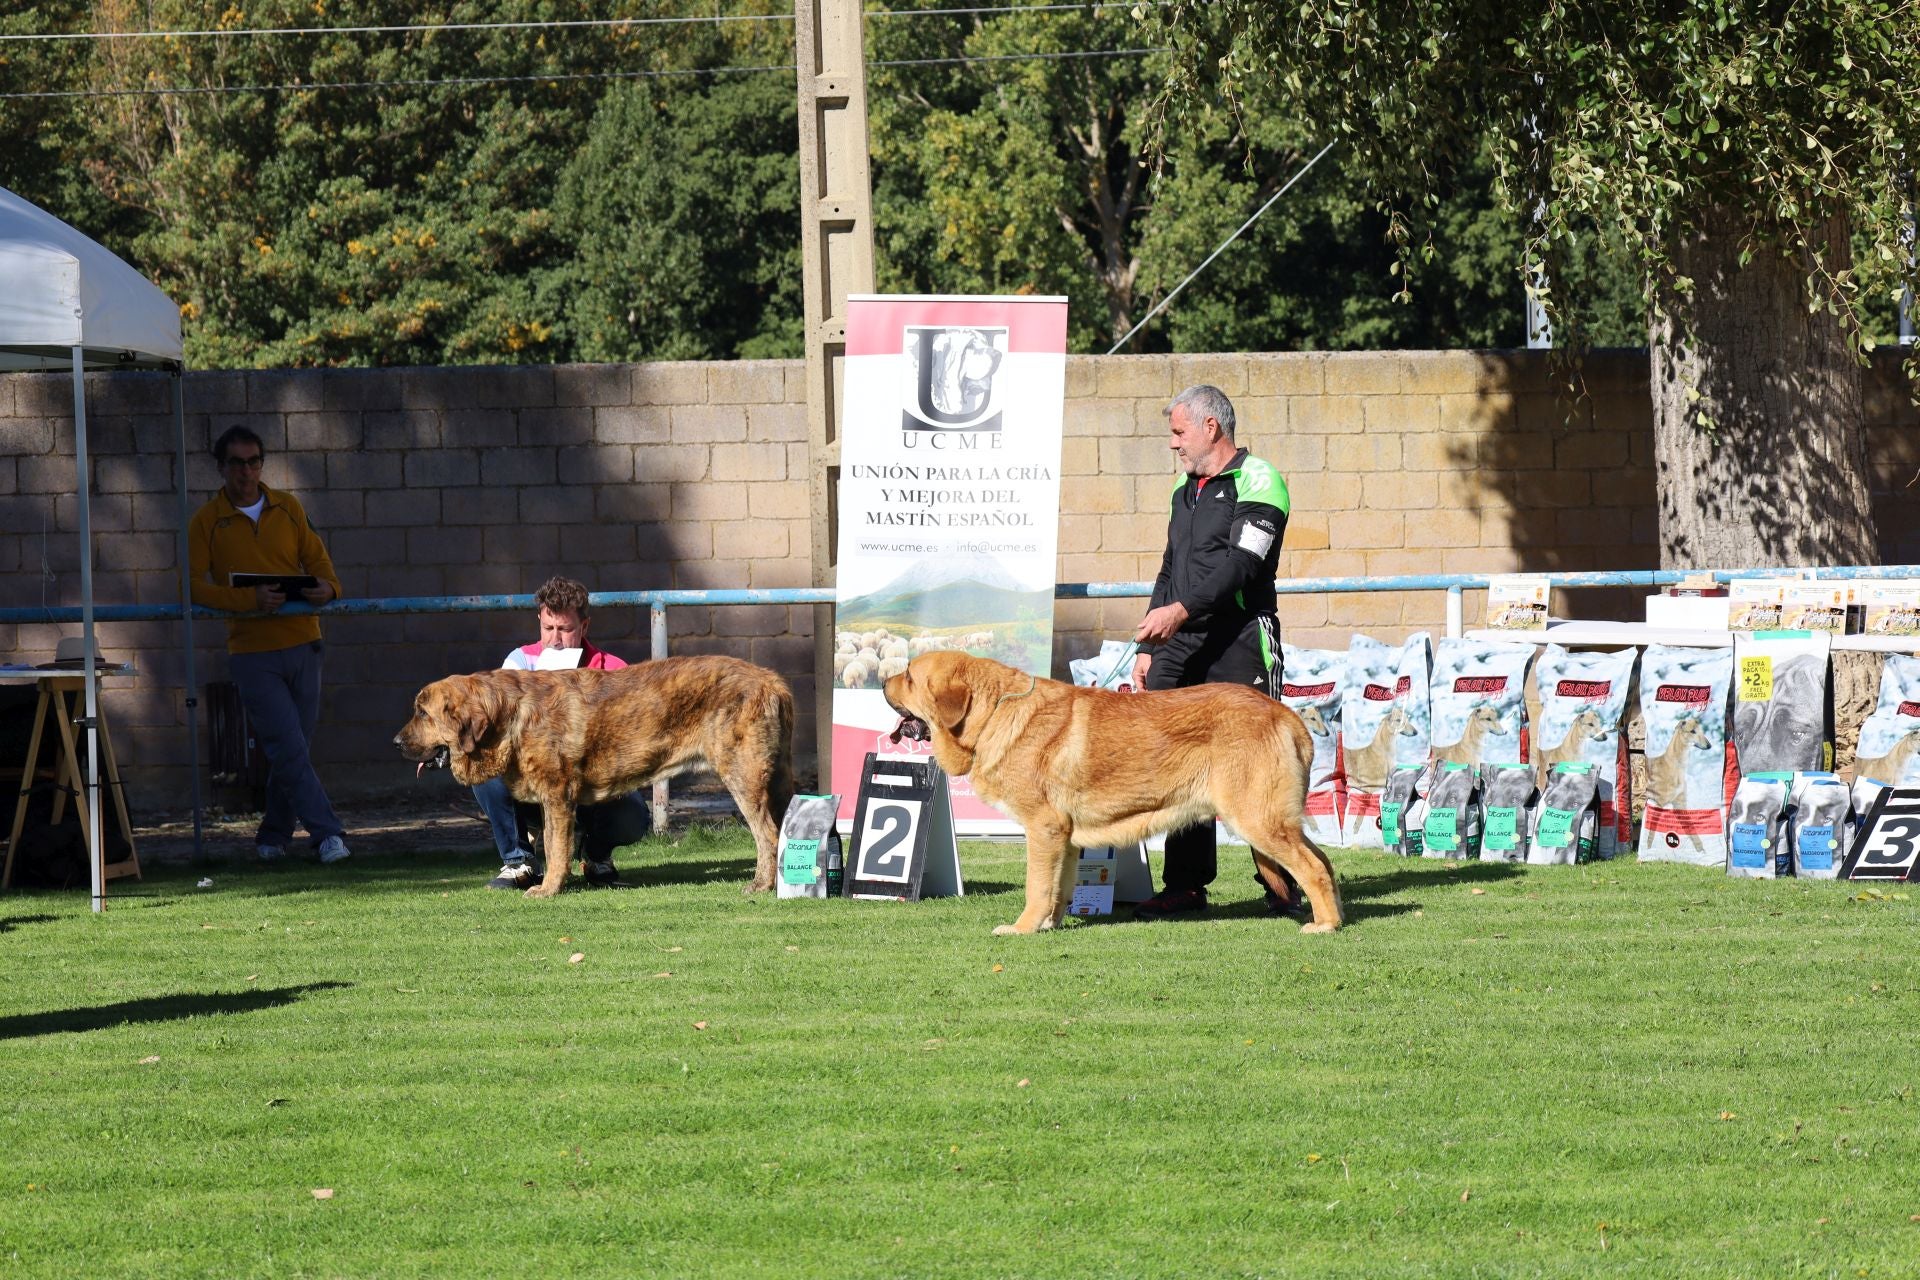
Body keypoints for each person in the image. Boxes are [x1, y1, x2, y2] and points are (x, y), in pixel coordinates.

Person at [1128, 384, 1304, 920]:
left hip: (1239, 639)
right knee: (1175, 763)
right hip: (1178, 645)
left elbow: (1241, 568)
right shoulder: (1183, 487)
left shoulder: (1260, 479)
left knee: (1254, 765)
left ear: (1211, 427)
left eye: (1178, 432)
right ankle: (1184, 885)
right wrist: (1147, 646)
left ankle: (1283, 881)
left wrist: (1180, 611)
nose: (1172, 444)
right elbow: (1169, 566)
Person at [189, 425, 350, 865]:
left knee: (293, 748)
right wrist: (247, 600)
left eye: (254, 461)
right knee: (287, 744)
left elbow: (321, 565)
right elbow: (193, 587)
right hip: (252, 651)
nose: (247, 471)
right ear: (221, 467)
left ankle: (274, 834)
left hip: (305, 642)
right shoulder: (207, 520)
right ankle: (327, 834)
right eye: (237, 462)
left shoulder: (288, 506)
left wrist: (327, 589)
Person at [475, 575, 653, 890]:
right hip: (535, 784)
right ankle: (520, 863)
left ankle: (596, 857)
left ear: (584, 627)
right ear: (539, 623)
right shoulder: (518, 663)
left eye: (565, 630)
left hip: (597, 785)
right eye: (548, 629)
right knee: (484, 765)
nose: (555, 640)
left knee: (634, 813)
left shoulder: (612, 668)